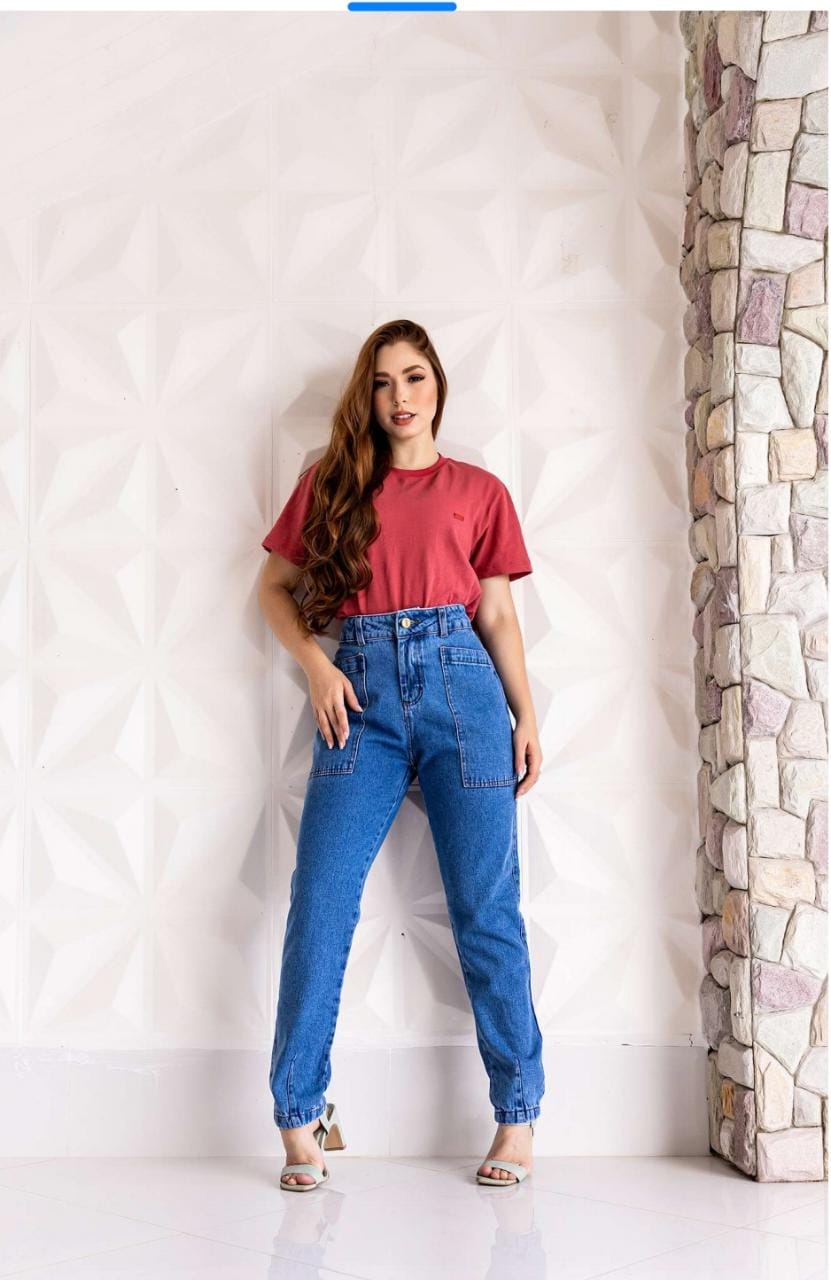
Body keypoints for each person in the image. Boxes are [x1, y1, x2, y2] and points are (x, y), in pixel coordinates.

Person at [258, 318, 544, 1190]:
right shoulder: (331, 485)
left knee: (486, 908)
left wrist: (524, 713)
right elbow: (273, 587)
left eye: (413, 377)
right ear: (367, 395)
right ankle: (300, 1116)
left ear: (437, 385)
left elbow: (495, 613)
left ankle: (516, 1119)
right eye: (382, 382)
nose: (399, 396)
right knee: (320, 899)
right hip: (359, 696)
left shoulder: (478, 490)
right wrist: (316, 664)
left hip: (465, 692)